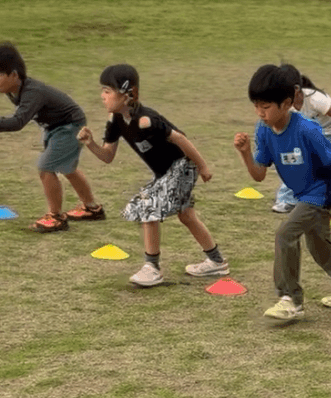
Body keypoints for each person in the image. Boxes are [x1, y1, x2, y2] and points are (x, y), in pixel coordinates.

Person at [234, 64, 331, 321]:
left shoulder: (306, 128)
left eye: (265, 107)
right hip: (304, 193)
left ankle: (290, 299)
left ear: (286, 104)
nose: (260, 113)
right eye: (256, 106)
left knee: (285, 233)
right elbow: (259, 175)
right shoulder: (263, 130)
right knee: (319, 247)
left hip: (324, 189)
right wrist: (244, 153)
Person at [77, 64, 228, 287]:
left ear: (128, 94)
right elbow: (108, 155)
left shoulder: (146, 119)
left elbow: (180, 138)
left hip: (182, 165)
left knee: (148, 205)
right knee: (186, 216)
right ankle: (217, 262)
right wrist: (90, 144)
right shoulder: (116, 120)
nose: (102, 96)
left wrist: (203, 166)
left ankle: (152, 268)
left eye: (108, 91)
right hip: (165, 173)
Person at [0, 43, 103, 232]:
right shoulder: (14, 90)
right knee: (67, 168)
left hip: (69, 126)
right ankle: (92, 208)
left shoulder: (32, 92)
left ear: (14, 75)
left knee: (45, 167)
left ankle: (56, 217)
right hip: (56, 127)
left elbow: (17, 122)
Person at [271, 66, 331, 213]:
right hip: (314, 132)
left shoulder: (315, 99)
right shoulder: (285, 104)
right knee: (295, 162)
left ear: (296, 89)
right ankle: (286, 200)